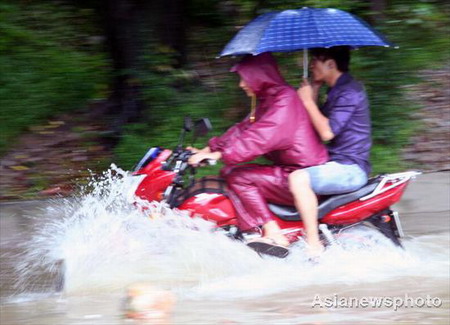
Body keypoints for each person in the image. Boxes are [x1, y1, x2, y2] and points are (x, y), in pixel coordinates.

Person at [188, 53, 328, 251]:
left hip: (301, 172)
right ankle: (248, 231)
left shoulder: (284, 101)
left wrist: (219, 155)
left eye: (244, 78)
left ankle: (273, 232)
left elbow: (259, 138)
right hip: (288, 169)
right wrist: (207, 149)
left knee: (239, 177)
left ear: (259, 75)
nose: (241, 84)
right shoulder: (269, 99)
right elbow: (243, 129)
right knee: (228, 173)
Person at [290, 46, 372, 255]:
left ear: (331, 64)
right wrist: (314, 90)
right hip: (337, 163)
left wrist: (308, 100)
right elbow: (316, 127)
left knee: (298, 179)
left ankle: (313, 243)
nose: (311, 64)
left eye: (315, 59)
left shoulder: (349, 92)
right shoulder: (336, 90)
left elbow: (327, 132)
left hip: (350, 168)